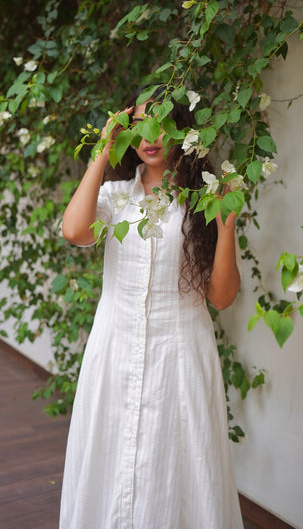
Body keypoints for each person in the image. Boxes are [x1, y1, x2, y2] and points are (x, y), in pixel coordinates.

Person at [59, 86, 244, 529]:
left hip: (180, 356)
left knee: (181, 468)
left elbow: (220, 296)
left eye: (162, 122)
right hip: (115, 350)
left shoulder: (202, 200)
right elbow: (74, 231)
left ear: (182, 129)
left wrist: (228, 224)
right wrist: (102, 151)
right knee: (109, 456)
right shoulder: (116, 195)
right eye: (140, 124)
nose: (151, 135)